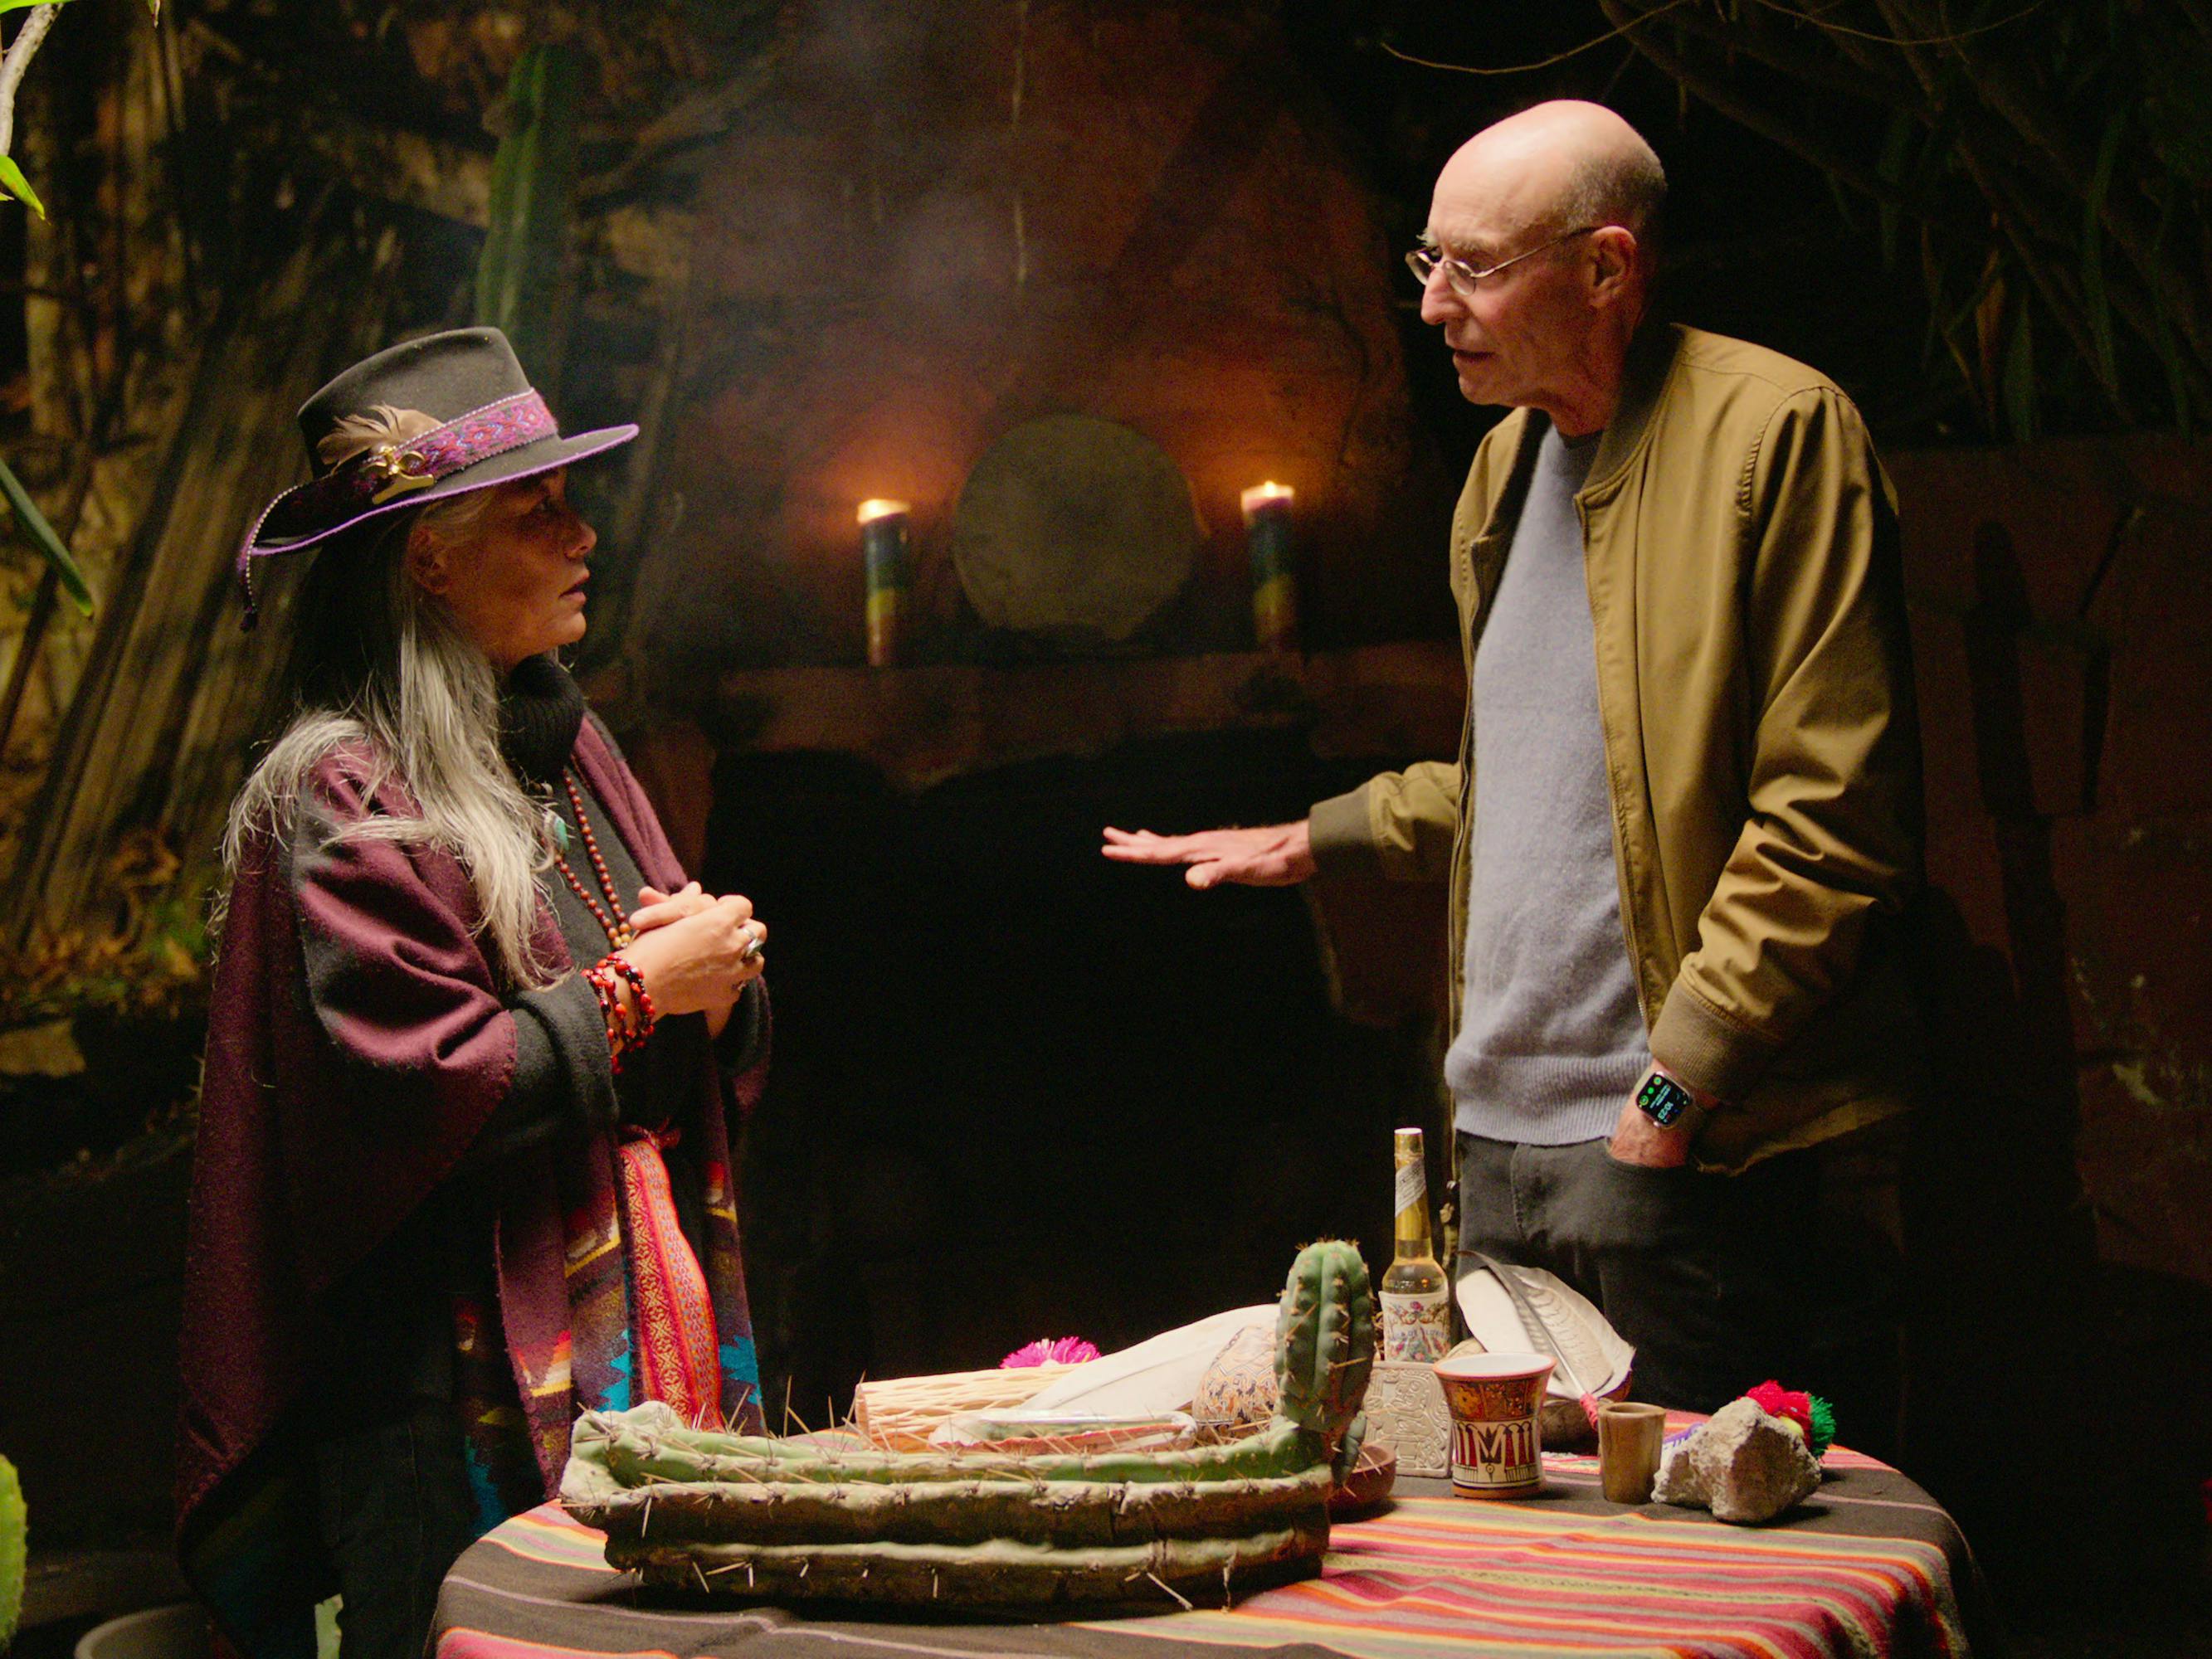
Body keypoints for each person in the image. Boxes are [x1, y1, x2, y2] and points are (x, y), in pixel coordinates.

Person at [1104, 101, 1922, 1445]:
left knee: (1685, 1574)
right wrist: (1322, 833)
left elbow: (1830, 822)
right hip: (1495, 1144)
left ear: (1606, 268)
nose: (1432, 306)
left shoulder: (1777, 435)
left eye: (1473, 268)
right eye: (1423, 260)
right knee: (1513, 1549)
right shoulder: (1498, 469)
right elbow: (1551, 775)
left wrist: (1672, 1095)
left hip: (1682, 1144)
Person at [175, 328, 773, 1659]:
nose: (582, 539)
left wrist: (717, 987)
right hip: (442, 1403)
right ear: (429, 556)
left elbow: (660, 1053)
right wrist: (635, 990)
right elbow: (414, 1088)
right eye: (536, 510)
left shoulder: (571, 748)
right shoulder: (341, 792)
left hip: (637, 1351)